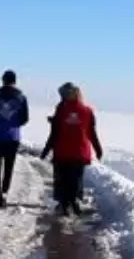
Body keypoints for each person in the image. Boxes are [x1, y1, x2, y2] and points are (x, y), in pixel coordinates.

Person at [40, 82, 103, 216]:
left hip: (62, 152)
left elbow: (55, 133)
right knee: (76, 179)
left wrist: (46, 150)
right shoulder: (88, 111)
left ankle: (64, 204)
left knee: (61, 179)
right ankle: (74, 201)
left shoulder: (61, 109)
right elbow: (91, 132)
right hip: (80, 153)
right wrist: (98, 149)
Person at [0, 70, 29, 207]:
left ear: (3, 81)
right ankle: (5, 192)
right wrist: (13, 125)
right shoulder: (21, 98)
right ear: (15, 81)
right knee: (9, 166)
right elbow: (25, 118)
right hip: (12, 137)